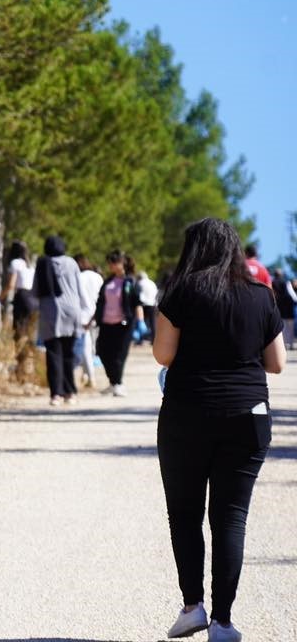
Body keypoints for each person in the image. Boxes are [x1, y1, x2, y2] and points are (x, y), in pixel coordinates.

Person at [153, 217, 284, 642]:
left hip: (187, 414)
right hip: (248, 415)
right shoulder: (262, 295)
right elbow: (276, 363)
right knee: (231, 517)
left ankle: (193, 607)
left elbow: (162, 355)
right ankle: (223, 624)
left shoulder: (181, 292)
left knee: (185, 514)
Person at [34, 235, 83, 405]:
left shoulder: (42, 263)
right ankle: (71, 393)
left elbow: (35, 291)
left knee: (54, 354)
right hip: (72, 312)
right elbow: (79, 289)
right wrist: (84, 311)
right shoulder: (71, 263)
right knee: (69, 354)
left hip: (51, 314)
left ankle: (56, 394)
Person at [94, 249, 140, 397]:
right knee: (102, 351)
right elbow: (100, 301)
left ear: (122, 263)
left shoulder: (130, 281)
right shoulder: (108, 281)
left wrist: (140, 322)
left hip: (124, 324)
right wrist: (93, 319)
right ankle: (113, 382)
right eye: (110, 262)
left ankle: (118, 384)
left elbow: (137, 303)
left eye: (114, 262)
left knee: (119, 355)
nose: (111, 265)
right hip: (106, 323)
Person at [1, 241, 38, 379]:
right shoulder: (30, 265)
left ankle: (21, 370)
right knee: (30, 334)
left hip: (22, 298)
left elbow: (11, 284)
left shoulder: (15, 263)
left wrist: (0, 297)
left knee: (19, 333)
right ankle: (30, 369)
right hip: (33, 299)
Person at [74, 254, 104, 388]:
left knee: (85, 347)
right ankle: (87, 375)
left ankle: (89, 376)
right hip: (98, 315)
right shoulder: (97, 277)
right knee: (92, 346)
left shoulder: (79, 277)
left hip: (84, 315)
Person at [271, 268, 296, 350]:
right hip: (288, 306)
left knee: (282, 326)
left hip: (278, 306)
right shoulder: (286, 282)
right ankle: (290, 343)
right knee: (290, 326)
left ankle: (284, 343)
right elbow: (292, 294)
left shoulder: (273, 282)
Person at [137, 269, 160, 345]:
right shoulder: (152, 283)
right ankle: (154, 340)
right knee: (153, 323)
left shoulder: (140, 283)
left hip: (143, 305)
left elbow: (138, 295)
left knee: (141, 322)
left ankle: (141, 339)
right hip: (153, 304)